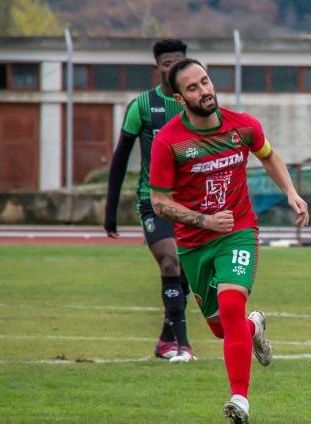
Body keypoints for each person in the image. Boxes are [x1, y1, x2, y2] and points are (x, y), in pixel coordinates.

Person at [149, 58, 309, 424]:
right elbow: (159, 202)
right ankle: (253, 328)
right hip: (194, 243)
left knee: (231, 302)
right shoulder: (169, 142)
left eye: (205, 81)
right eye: (193, 87)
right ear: (179, 97)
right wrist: (204, 220)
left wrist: (291, 192)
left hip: (238, 231)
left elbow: (269, 156)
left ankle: (240, 399)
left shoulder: (243, 126)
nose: (204, 91)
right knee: (223, 327)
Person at [104, 38, 194, 362]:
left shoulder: (194, 104)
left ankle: (165, 340)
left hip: (191, 204)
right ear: (157, 67)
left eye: (179, 63)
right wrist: (109, 212)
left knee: (187, 276)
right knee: (170, 260)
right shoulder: (142, 106)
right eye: (167, 64)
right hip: (153, 201)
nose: (173, 69)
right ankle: (183, 346)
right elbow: (119, 160)